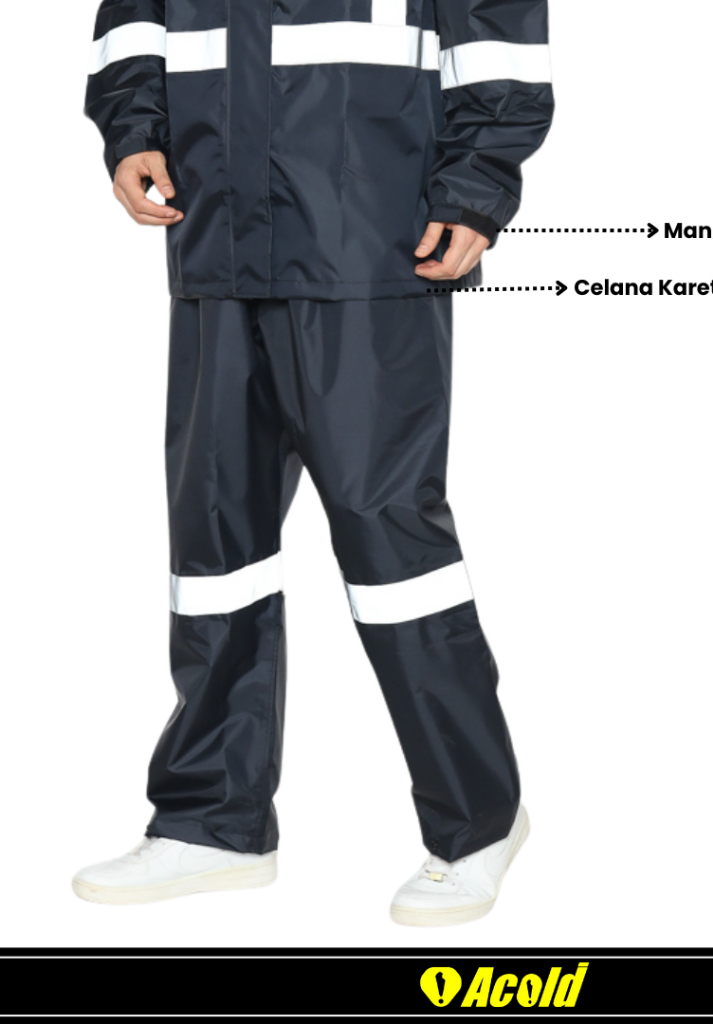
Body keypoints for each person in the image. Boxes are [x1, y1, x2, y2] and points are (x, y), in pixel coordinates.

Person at [73, 0, 553, 926]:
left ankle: (478, 823)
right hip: (215, 230)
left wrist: (476, 187)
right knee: (215, 537)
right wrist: (133, 129)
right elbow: (134, 19)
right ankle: (212, 821)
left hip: (371, 233)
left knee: (392, 545)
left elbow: (501, 42)